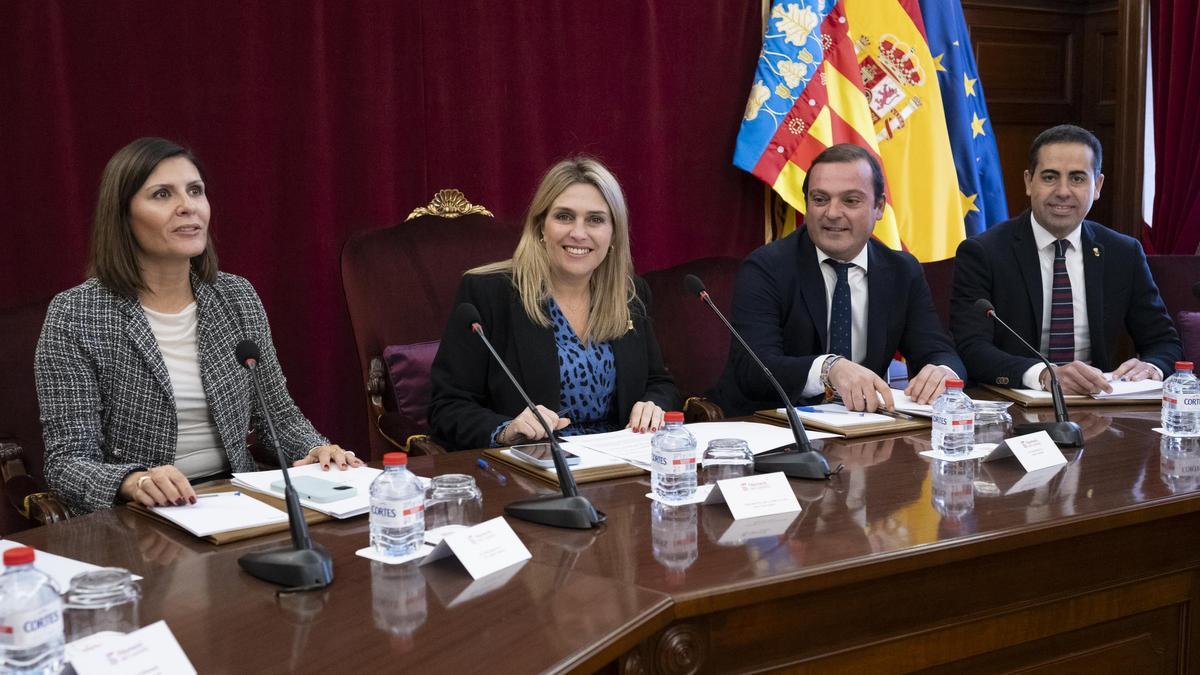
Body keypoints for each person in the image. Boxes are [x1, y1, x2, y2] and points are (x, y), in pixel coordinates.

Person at [35, 137, 361, 516]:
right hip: (135, 516)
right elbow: (67, 460)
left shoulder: (236, 296)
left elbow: (276, 414)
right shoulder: (76, 314)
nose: (187, 206)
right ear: (122, 215)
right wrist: (133, 481)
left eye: (195, 191)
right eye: (161, 194)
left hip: (237, 499)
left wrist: (317, 450)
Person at [428, 156, 680, 451]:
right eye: (564, 216)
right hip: (535, 469)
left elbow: (660, 383)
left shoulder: (629, 294)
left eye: (596, 220)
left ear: (613, 234)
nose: (578, 232)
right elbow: (447, 408)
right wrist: (506, 430)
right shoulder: (488, 293)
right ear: (540, 227)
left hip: (623, 464)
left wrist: (654, 404)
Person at [712, 143, 965, 417]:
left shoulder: (901, 270)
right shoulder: (766, 267)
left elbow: (938, 350)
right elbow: (754, 370)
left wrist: (942, 372)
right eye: (820, 199)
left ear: (879, 207)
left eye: (850, 201)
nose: (832, 213)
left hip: (864, 430)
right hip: (772, 427)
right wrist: (828, 369)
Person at [951, 124, 1181, 394]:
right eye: (1049, 177)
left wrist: (1152, 366)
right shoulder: (983, 252)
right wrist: (1044, 375)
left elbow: (1165, 342)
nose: (1063, 191)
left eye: (1077, 178)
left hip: (1098, 404)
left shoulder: (1123, 253)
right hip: (1015, 404)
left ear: (1098, 186)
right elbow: (971, 347)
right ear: (1028, 181)